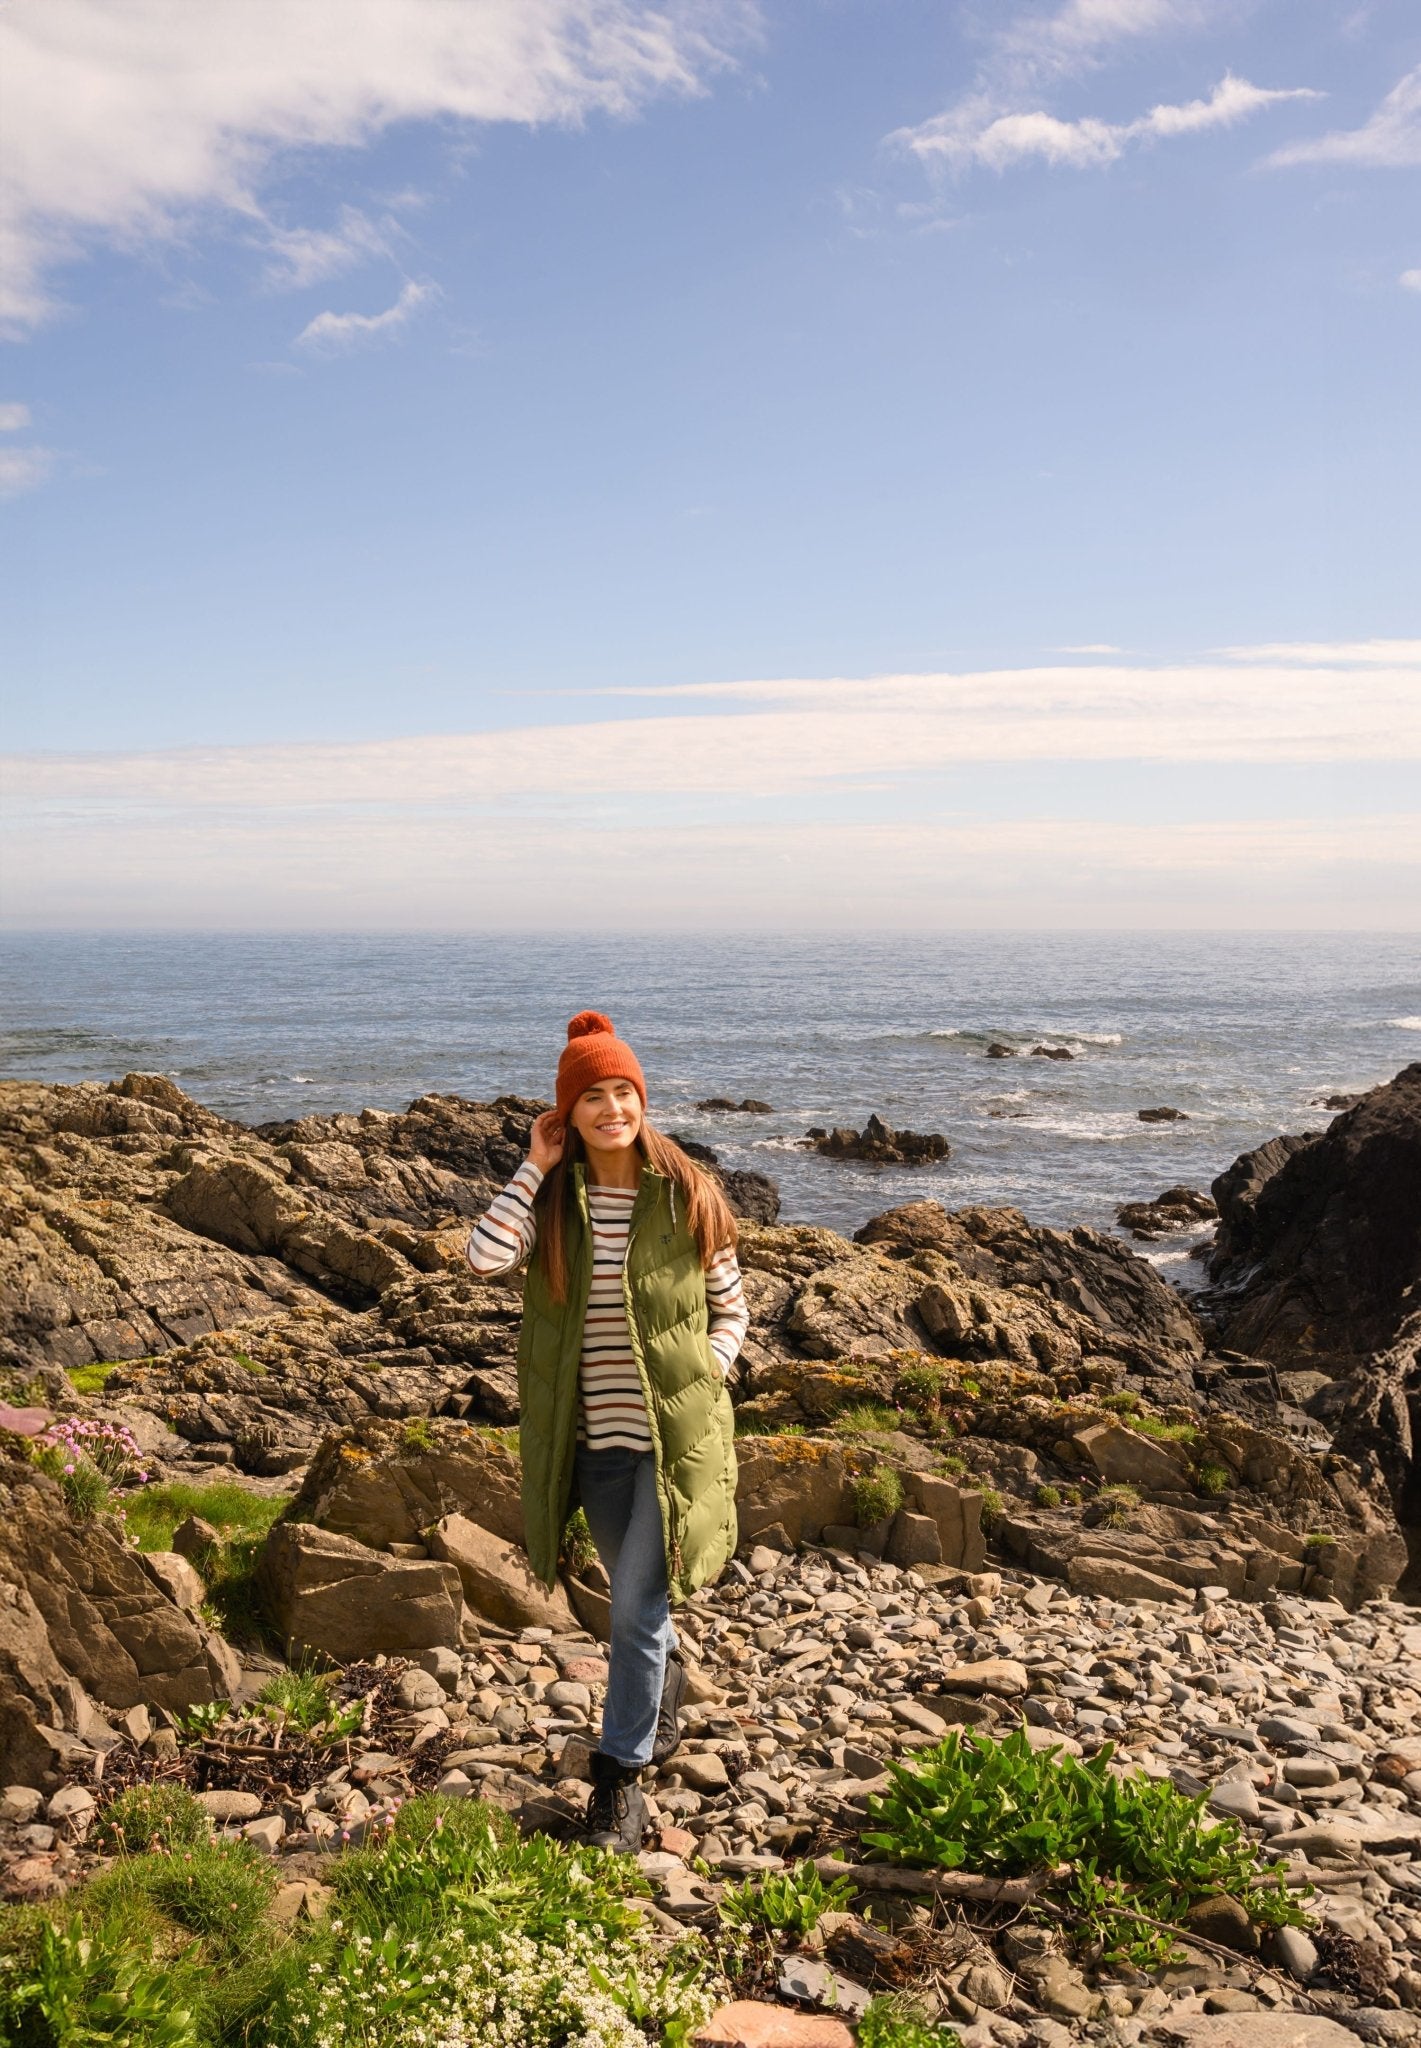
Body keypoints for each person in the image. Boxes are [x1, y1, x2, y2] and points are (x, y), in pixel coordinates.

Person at [465, 1009, 747, 1852]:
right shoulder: (553, 1202)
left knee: (632, 1607)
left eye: (622, 1091)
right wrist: (530, 1165)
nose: (610, 1107)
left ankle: (618, 1782)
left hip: (671, 1443)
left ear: (641, 1101)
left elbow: (730, 1307)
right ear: (568, 1113)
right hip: (591, 1448)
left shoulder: (687, 1193)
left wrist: (708, 1373)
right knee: (636, 1611)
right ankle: (655, 1694)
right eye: (592, 1096)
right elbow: (481, 1258)